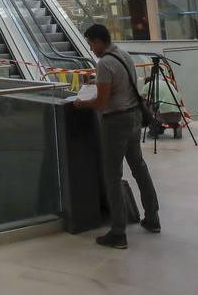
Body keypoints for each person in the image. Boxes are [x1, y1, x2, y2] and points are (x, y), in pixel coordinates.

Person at [72, 23, 160, 249]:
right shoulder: (124, 56)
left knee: (112, 176)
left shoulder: (104, 63)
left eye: (92, 44)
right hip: (134, 118)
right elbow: (121, 85)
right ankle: (152, 218)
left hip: (116, 122)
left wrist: (82, 104)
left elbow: (101, 102)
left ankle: (118, 232)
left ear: (99, 41)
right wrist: (97, 83)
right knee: (139, 167)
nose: (91, 49)